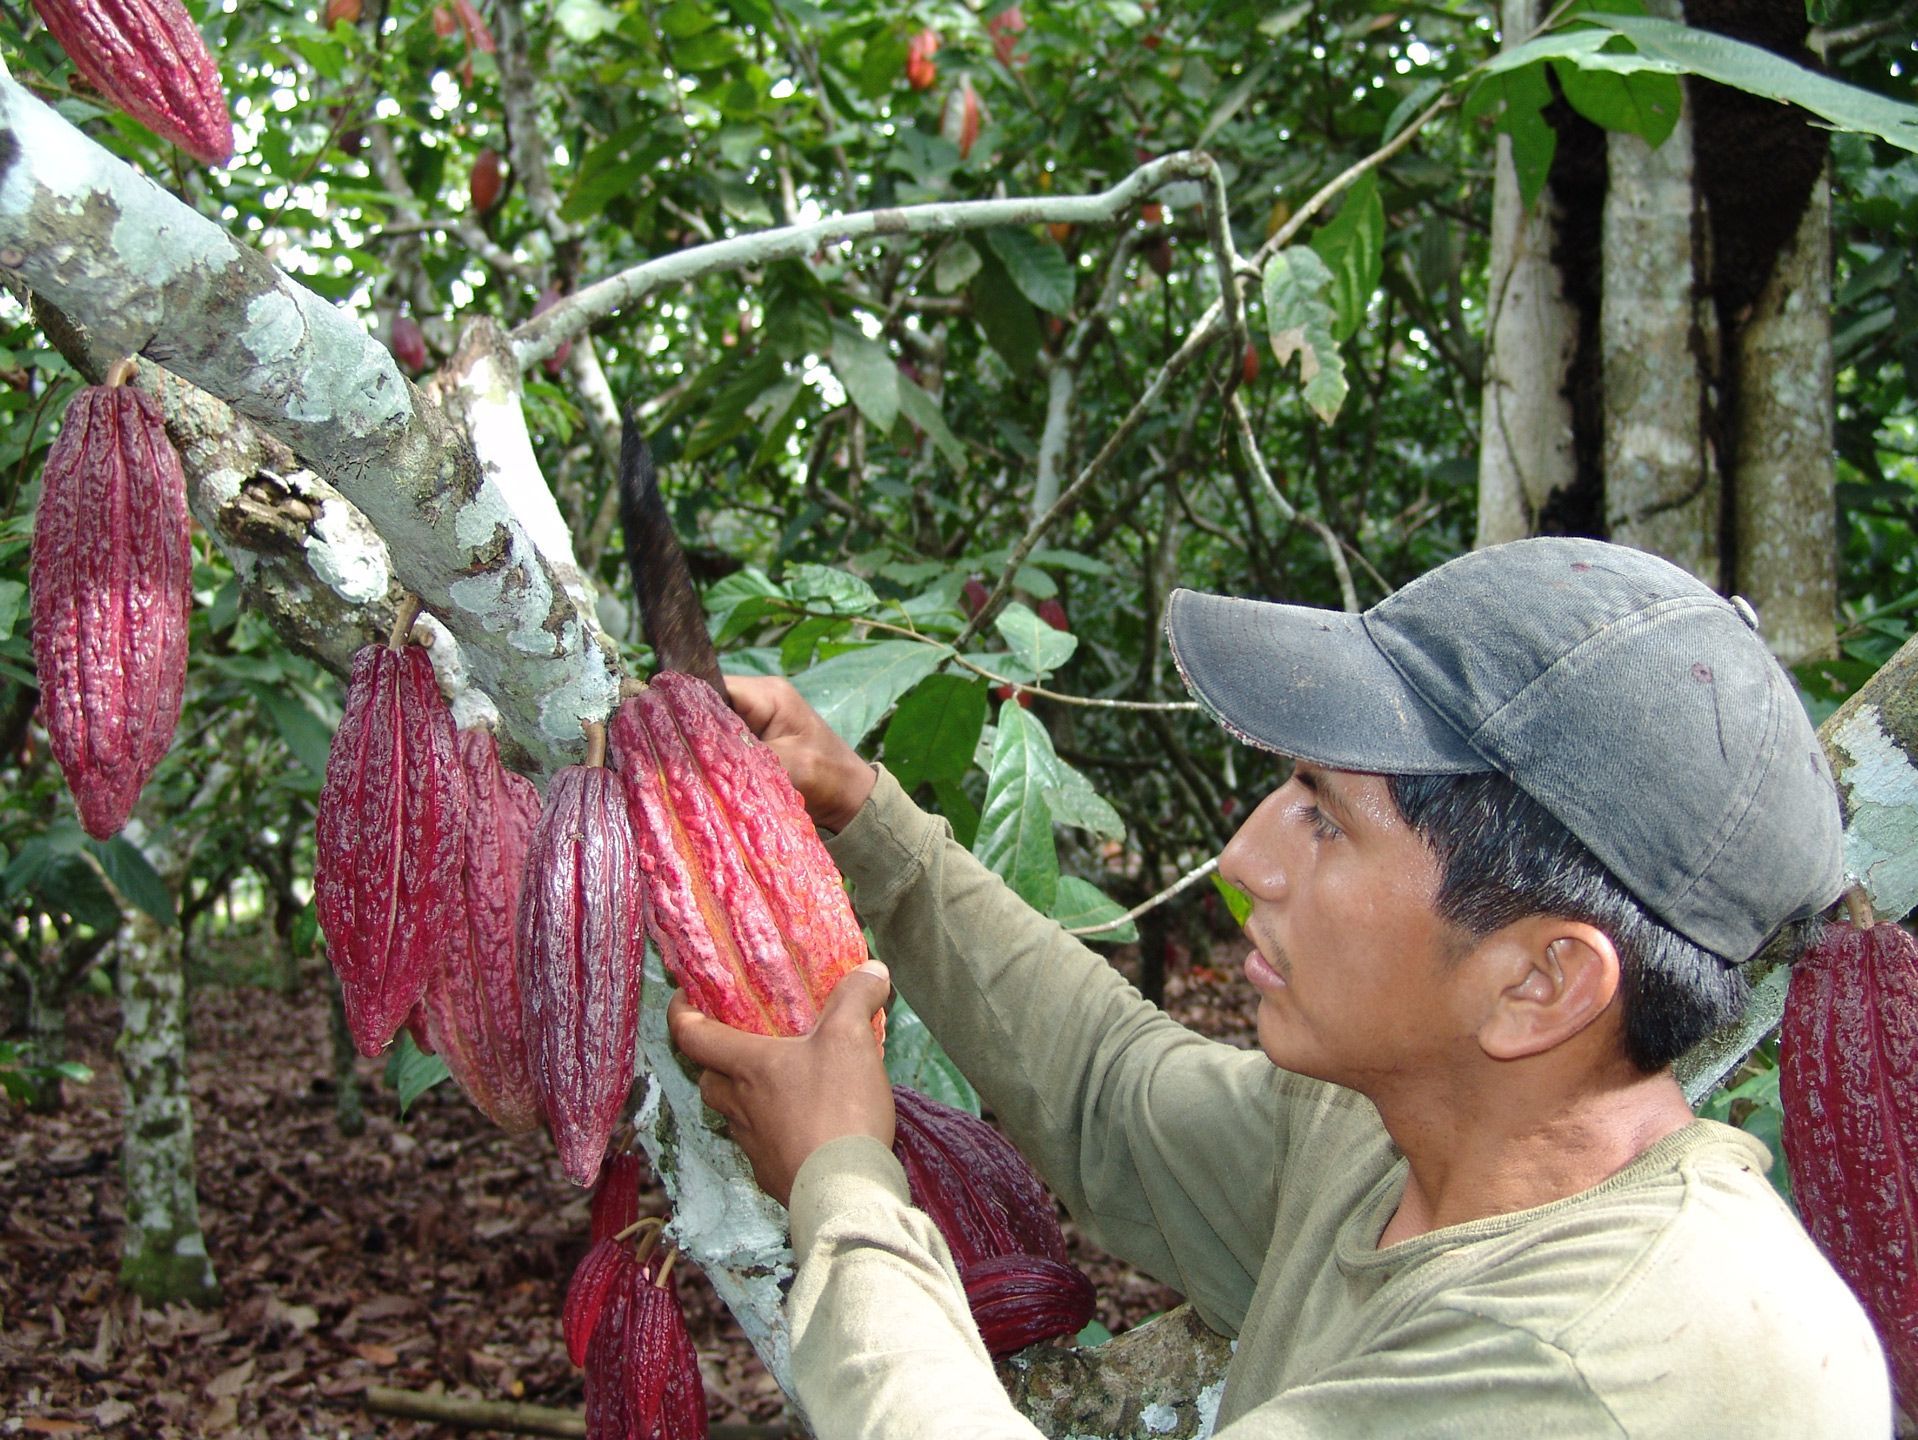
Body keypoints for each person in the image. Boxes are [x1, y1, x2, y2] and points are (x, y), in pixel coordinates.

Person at [669, 537, 1890, 1437]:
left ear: (1540, 982)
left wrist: (842, 1181)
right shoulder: (1412, 1133)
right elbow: (1112, 1094)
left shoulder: (1604, 1363)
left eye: (1324, 817)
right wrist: (862, 816)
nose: (1243, 859)